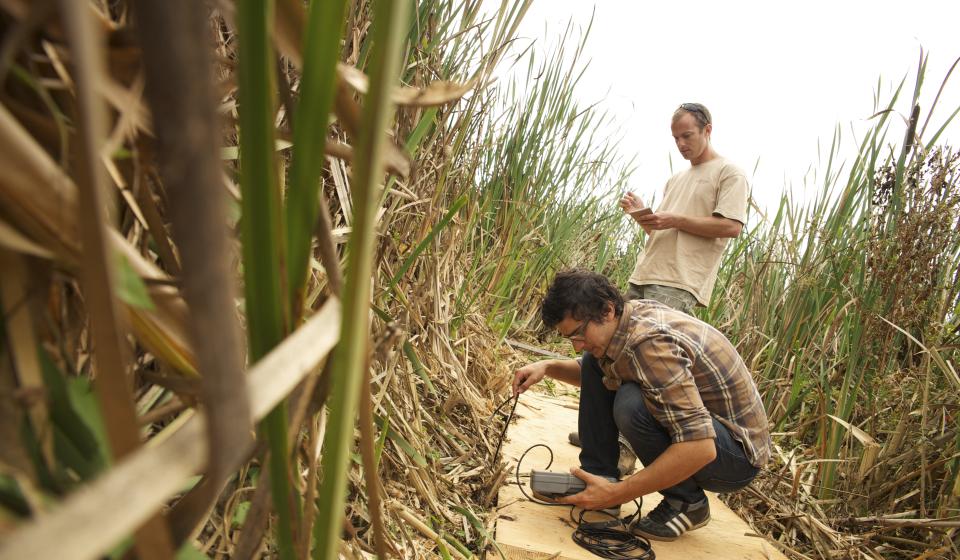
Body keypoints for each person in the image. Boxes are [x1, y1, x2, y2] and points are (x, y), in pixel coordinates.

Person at [513, 270, 770, 541]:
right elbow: (600, 372)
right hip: (714, 439)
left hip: (735, 457)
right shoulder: (626, 320)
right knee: (593, 360)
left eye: (578, 334)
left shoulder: (649, 344)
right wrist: (548, 366)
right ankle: (598, 478)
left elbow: (700, 447)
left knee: (632, 405)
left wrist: (620, 493)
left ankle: (686, 502)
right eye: (570, 339)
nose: (577, 346)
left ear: (607, 310)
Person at [619, 102, 749, 314]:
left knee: (652, 345)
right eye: (676, 138)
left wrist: (675, 220)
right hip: (644, 274)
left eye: (687, 136)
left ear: (707, 130)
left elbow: (731, 227)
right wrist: (640, 214)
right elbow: (662, 232)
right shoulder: (675, 179)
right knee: (616, 343)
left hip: (678, 281)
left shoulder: (729, 172)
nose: (680, 144)